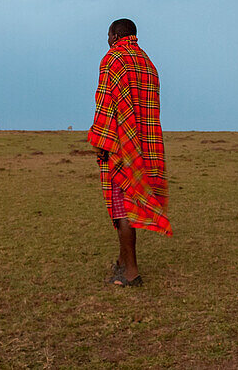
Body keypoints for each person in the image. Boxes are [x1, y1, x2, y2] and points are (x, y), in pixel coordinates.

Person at [87, 18, 171, 287]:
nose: (107, 39)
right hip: (146, 145)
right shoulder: (148, 63)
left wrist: (102, 141)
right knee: (130, 202)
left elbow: (105, 103)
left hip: (120, 144)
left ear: (114, 36)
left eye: (108, 34)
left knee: (122, 206)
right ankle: (122, 262)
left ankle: (131, 272)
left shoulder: (112, 59)